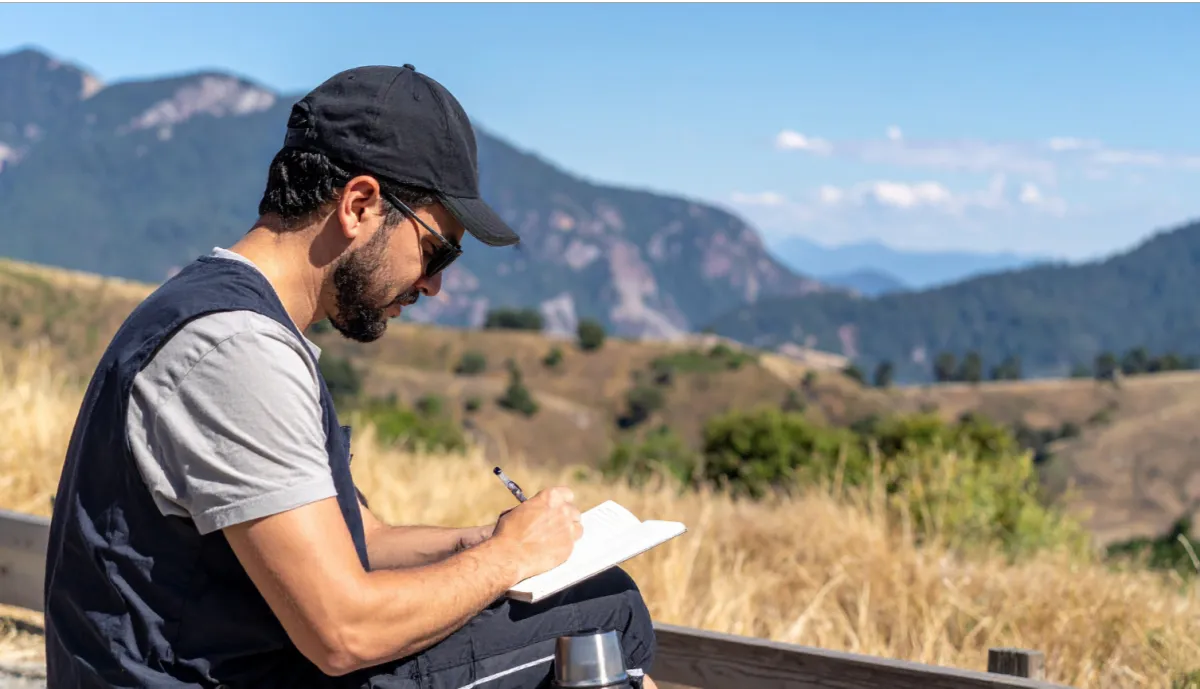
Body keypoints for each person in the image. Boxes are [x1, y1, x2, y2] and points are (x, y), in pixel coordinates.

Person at [43, 64, 659, 689]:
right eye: (437, 250)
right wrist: (509, 559)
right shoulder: (236, 350)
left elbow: (362, 538)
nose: (434, 285)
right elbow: (344, 634)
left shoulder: (225, 316)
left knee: (596, 602)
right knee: (606, 614)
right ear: (359, 205)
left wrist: (488, 540)